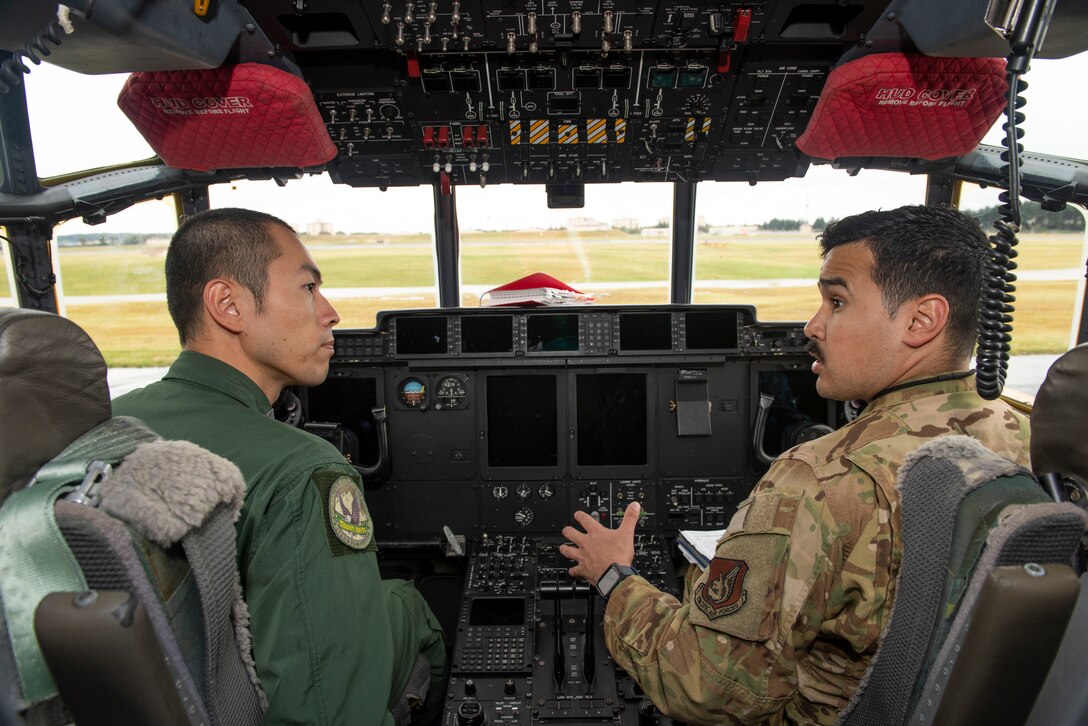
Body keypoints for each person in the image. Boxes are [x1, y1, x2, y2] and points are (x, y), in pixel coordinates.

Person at [560, 204, 1031, 725]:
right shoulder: (1031, 437)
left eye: (837, 301)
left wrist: (614, 575)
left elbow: (706, 687)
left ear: (922, 320)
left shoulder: (821, 479)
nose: (813, 325)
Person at [113, 208, 447, 726]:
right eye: (309, 287)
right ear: (229, 305)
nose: (331, 313)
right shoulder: (302, 472)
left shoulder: (104, 422)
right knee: (408, 603)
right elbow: (329, 715)